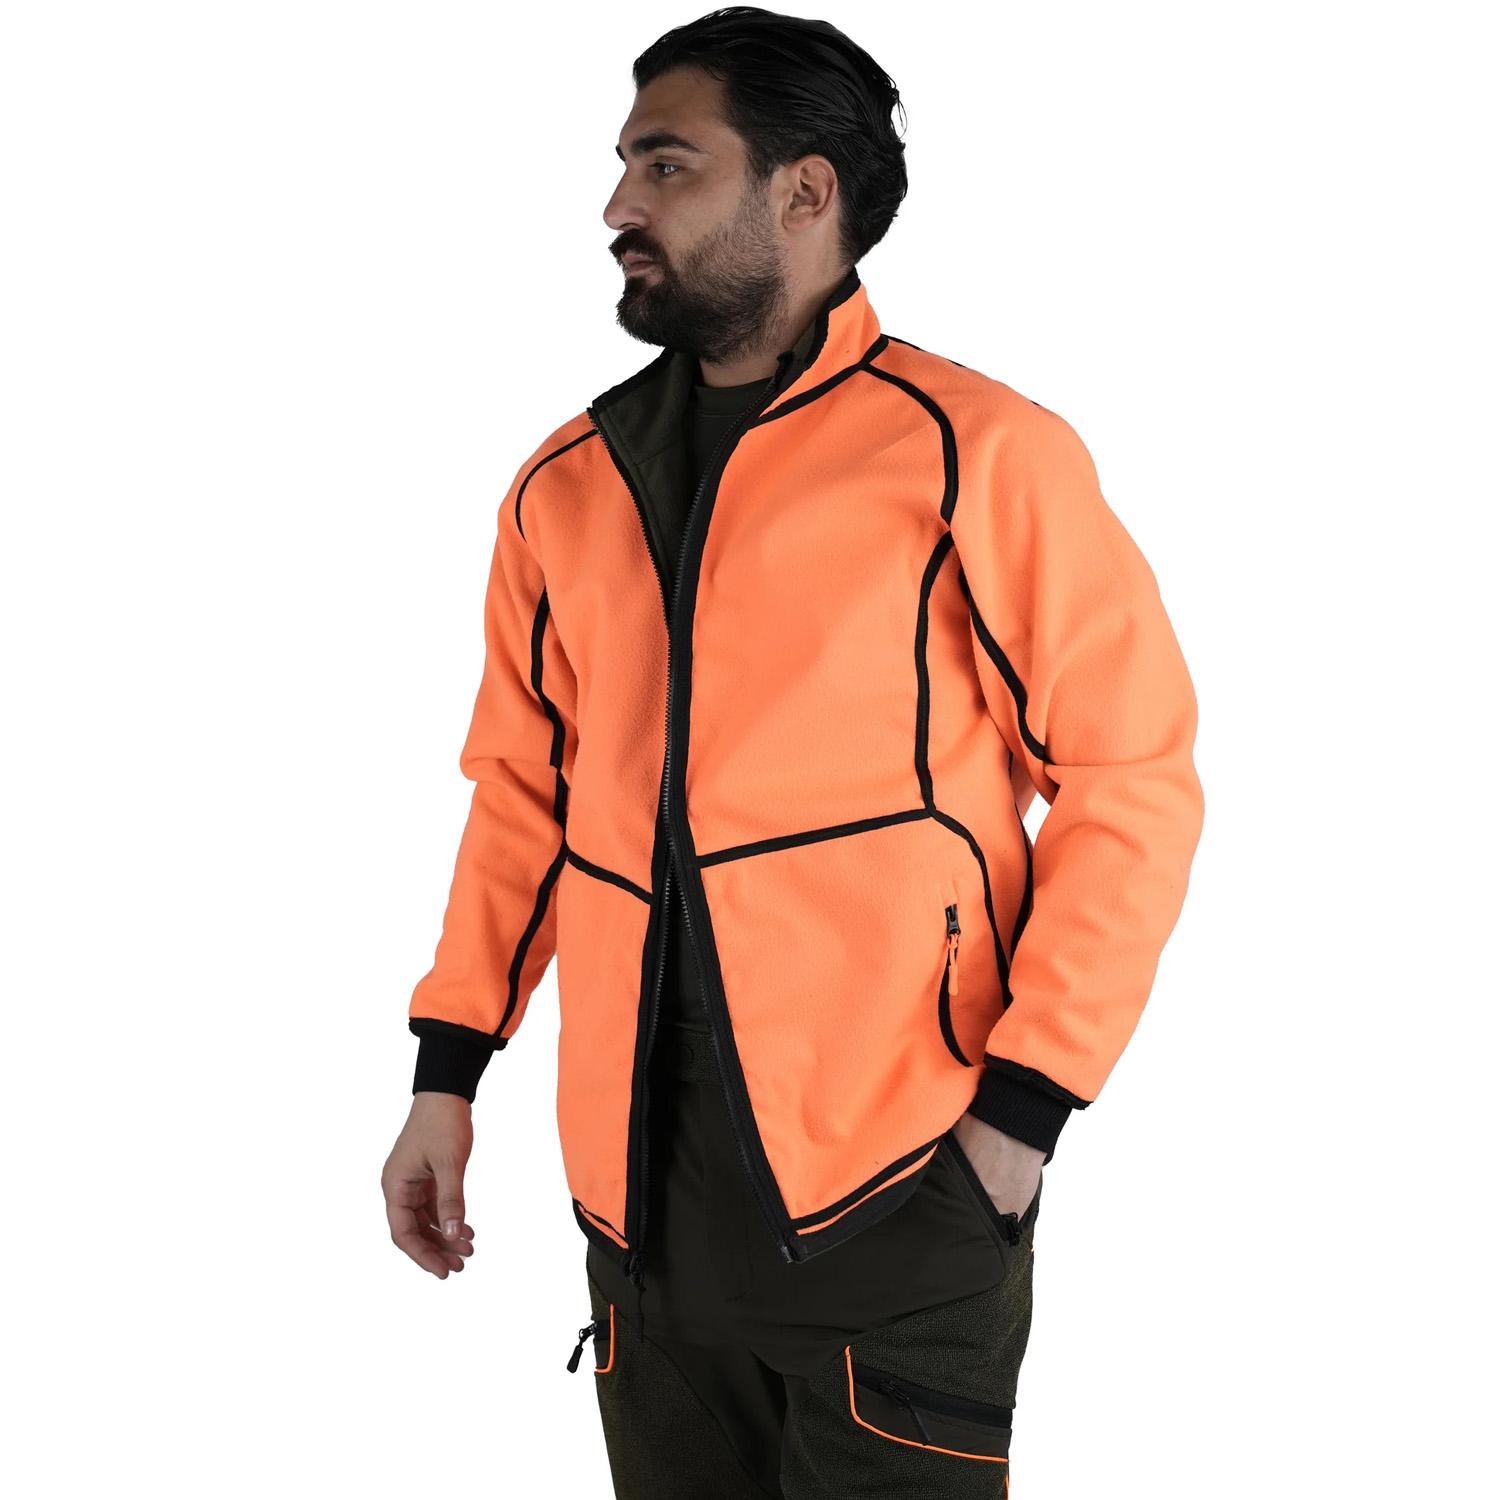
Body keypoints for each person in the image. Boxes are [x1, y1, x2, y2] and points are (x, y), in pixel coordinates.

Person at [381, 8, 1204, 1494]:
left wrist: (1021, 1114)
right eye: (623, 165)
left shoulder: (974, 450)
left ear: (803, 192)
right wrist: (449, 1074)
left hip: (903, 1192)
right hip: (637, 1214)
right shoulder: (567, 485)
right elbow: (521, 799)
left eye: (666, 164)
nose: (617, 206)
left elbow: (1130, 776)